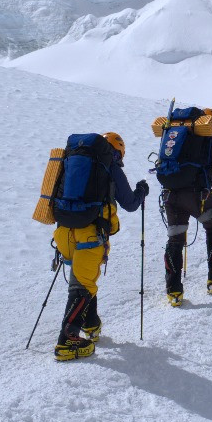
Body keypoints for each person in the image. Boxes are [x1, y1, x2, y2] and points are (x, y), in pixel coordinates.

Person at [53, 131, 149, 361]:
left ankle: (91, 324)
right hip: (90, 231)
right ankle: (67, 341)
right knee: (82, 286)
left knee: (82, 279)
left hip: (64, 231)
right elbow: (130, 203)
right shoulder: (111, 166)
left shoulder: (71, 159)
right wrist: (142, 192)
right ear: (117, 152)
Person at [156, 109, 212, 305]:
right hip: (199, 196)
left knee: (175, 239)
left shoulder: (177, 131)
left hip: (170, 194)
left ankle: (174, 290)